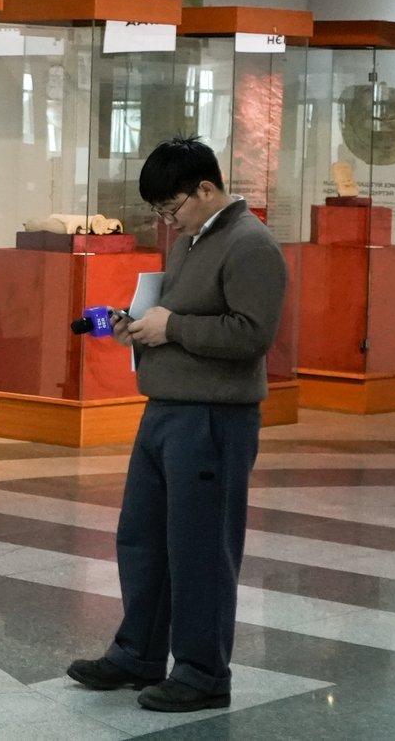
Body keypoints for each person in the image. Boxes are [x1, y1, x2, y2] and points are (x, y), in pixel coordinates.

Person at [66, 137, 287, 713]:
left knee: (201, 547)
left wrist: (172, 328)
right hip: (165, 408)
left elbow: (252, 334)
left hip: (214, 417)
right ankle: (138, 652)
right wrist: (139, 328)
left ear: (206, 189)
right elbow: (178, 317)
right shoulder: (192, 240)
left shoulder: (251, 244)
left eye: (172, 208)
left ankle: (203, 672)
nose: (168, 221)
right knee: (143, 538)